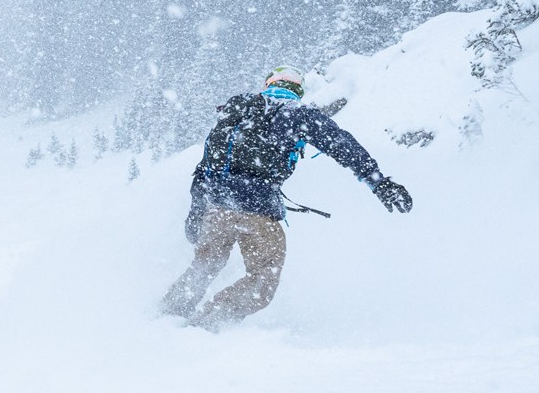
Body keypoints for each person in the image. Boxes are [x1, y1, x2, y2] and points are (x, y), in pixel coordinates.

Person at [161, 65, 412, 330]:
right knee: (262, 280)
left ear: (269, 84)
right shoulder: (298, 114)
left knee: (204, 266)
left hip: (215, 209)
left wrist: (196, 214)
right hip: (257, 213)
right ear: (298, 90)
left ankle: (167, 317)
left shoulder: (239, 110)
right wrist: (379, 182)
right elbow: (341, 144)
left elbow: (205, 168)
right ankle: (207, 325)